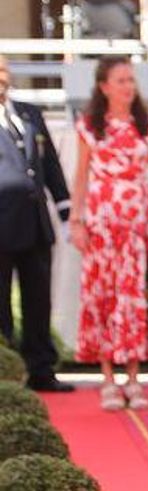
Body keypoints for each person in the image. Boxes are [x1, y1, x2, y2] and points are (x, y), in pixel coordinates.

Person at [69, 57, 148, 412]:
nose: (128, 86)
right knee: (103, 295)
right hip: (101, 222)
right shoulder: (90, 126)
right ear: (104, 87)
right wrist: (76, 222)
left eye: (131, 80)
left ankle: (133, 377)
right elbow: (81, 177)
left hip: (136, 224)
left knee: (132, 296)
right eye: (121, 80)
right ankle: (108, 379)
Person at [0, 54, 72, 392]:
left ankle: (41, 370)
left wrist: (65, 209)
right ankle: (6, 376)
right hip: (1, 226)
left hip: (35, 223)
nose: (1, 77)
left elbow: (50, 165)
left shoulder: (28, 113)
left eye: (3, 70)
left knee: (39, 301)